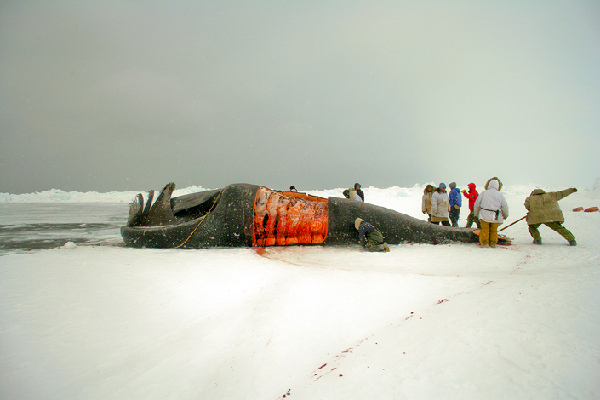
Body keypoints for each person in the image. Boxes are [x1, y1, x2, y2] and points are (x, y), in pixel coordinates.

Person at [473, 177, 509, 248]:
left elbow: (477, 204)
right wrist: (505, 215)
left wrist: (476, 214)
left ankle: (484, 243)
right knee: (493, 230)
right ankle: (492, 243)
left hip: (484, 215)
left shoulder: (483, 193)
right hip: (496, 216)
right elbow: (504, 206)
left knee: (485, 230)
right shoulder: (500, 195)